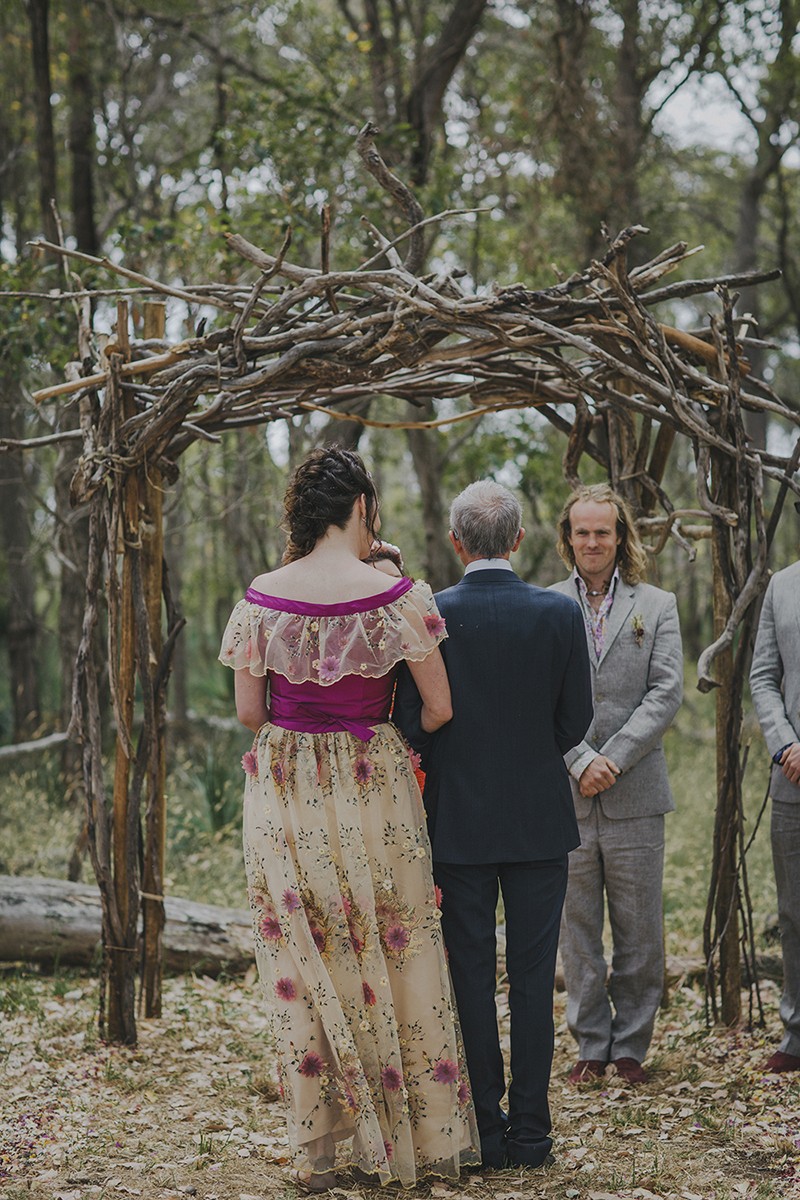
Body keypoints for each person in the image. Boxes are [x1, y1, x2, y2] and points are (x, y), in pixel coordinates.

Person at [218, 447, 479, 1191]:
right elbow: (440, 706)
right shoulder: (399, 595)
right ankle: (409, 1135)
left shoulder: (262, 597)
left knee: (308, 957)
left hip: (287, 786)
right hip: (373, 785)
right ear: (362, 506)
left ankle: (324, 1144)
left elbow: (248, 712)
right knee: (390, 944)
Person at [393, 480, 593, 1171]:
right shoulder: (560, 615)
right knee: (535, 983)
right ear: (519, 541)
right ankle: (533, 1137)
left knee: (470, 981)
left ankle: (486, 1130)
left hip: (458, 828)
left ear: (456, 542)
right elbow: (576, 723)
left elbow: (412, 725)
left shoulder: (430, 616)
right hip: (540, 824)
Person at [549, 483, 683, 1086]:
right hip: (567, 797)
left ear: (621, 536)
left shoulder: (657, 606)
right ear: (568, 538)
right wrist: (580, 759)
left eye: (604, 531)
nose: (593, 542)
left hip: (635, 795)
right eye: (582, 531)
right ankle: (589, 1045)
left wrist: (613, 758)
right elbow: (538, 696)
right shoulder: (546, 605)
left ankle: (629, 1046)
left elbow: (666, 693)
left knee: (639, 930)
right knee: (576, 931)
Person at [749, 538, 800, 1073]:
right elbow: (764, 676)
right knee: (793, 912)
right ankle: (797, 1032)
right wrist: (785, 743)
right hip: (793, 776)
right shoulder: (782, 585)